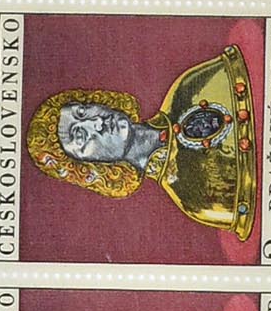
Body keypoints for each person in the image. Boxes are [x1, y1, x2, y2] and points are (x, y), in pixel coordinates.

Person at [26, 43, 258, 239]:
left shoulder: (188, 87)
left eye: (83, 111)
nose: (96, 122)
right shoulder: (196, 200)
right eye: (81, 136)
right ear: (91, 166)